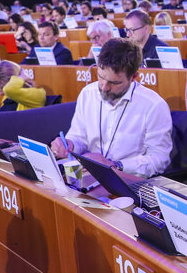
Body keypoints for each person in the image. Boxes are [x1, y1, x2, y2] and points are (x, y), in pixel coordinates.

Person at [51, 38, 173, 178]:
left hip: (128, 179)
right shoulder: (87, 93)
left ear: (134, 77)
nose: (104, 87)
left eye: (114, 82)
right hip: (87, 174)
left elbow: (159, 159)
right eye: (100, 77)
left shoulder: (154, 105)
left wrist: (116, 165)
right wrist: (70, 144)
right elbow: (79, 137)